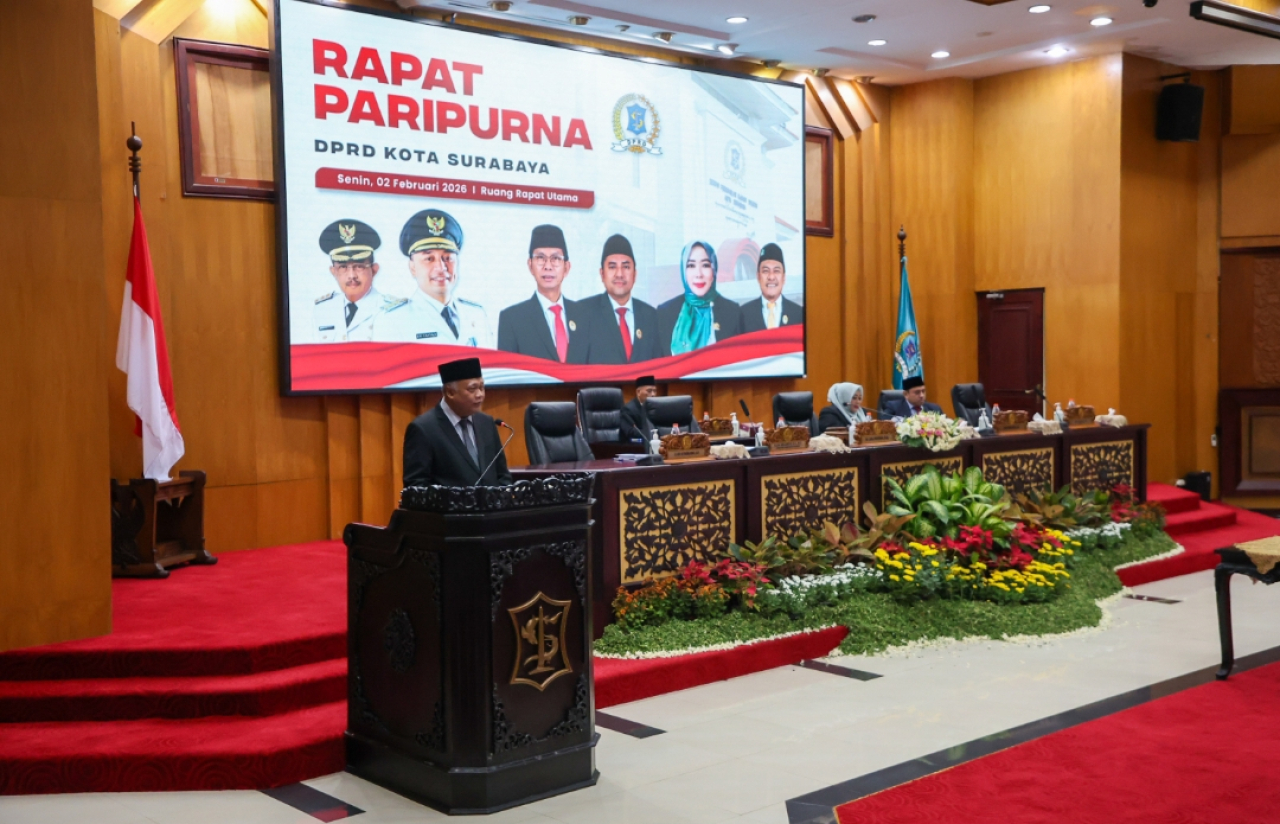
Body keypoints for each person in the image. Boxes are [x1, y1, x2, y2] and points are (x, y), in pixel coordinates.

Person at [372, 209, 494, 348]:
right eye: (429, 259)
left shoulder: (476, 314)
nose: (441, 267)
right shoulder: (392, 320)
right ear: (413, 267)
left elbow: (492, 368)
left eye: (448, 258)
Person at [402, 357, 512, 487]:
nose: (480, 395)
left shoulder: (486, 423)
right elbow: (416, 485)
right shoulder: (424, 429)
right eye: (472, 389)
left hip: (491, 506)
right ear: (450, 392)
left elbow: (502, 474)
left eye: (482, 388)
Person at [496, 224, 590, 362]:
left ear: (567, 267)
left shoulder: (586, 317)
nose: (547, 266)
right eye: (540, 258)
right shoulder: (512, 319)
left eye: (556, 258)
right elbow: (508, 376)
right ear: (530, 265)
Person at [311, 219, 406, 342]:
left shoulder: (395, 311)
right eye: (343, 267)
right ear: (333, 272)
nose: (351, 275)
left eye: (359, 266)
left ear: (374, 270)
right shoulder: (322, 310)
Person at [577, 234, 667, 364]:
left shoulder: (650, 316)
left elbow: (659, 368)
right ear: (602, 274)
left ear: (635, 274)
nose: (619, 274)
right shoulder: (583, 313)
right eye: (612, 267)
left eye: (626, 267)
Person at [657, 241, 742, 355]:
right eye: (691, 265)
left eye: (705, 265)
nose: (699, 274)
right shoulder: (665, 313)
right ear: (683, 271)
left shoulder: (732, 312)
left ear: (714, 269)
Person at [740, 243, 804, 334]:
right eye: (765, 271)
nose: (771, 277)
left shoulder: (799, 314)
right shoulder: (743, 314)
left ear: (784, 277)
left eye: (776, 271)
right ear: (758, 276)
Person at [620, 375, 658, 441]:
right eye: (649, 391)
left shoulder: (656, 408)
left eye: (655, 391)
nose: (653, 395)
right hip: (633, 447)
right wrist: (651, 433)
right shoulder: (628, 410)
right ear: (638, 392)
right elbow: (630, 432)